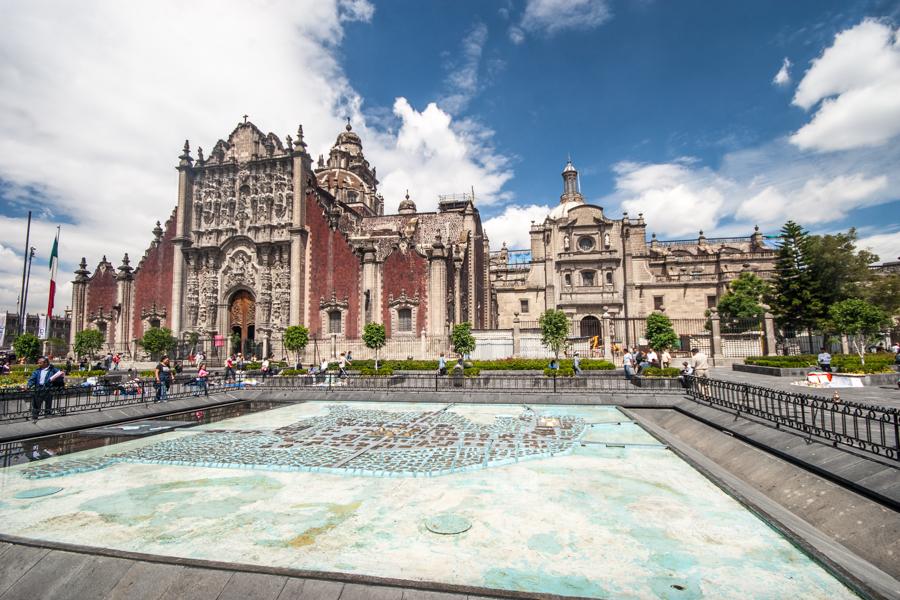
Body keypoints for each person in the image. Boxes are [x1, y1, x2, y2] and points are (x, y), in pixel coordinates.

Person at [27, 357, 64, 421]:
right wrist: (28, 385)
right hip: (39, 388)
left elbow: (60, 377)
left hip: (48, 388)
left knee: (48, 403)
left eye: (40, 363)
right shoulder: (37, 371)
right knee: (36, 403)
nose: (38, 364)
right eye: (38, 362)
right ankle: (35, 417)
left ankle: (47, 415)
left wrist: (56, 379)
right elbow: (32, 379)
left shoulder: (53, 370)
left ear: (45, 363)